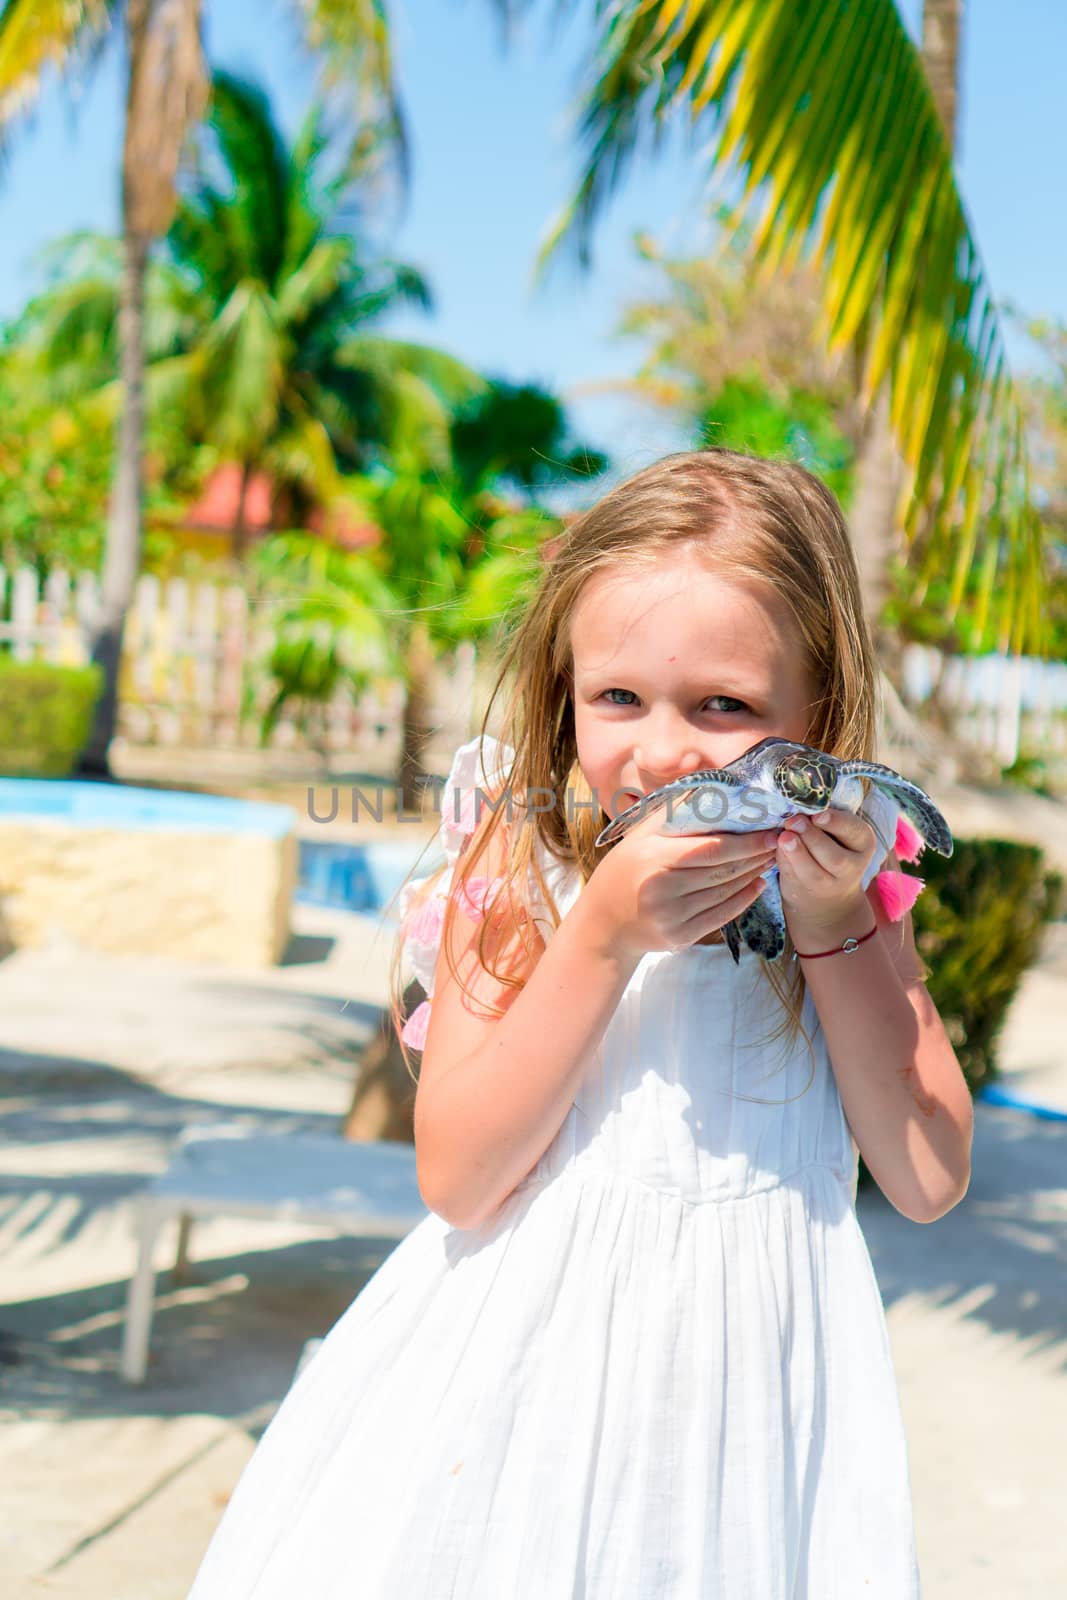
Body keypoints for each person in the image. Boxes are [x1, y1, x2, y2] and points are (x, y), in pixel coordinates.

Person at [187, 448, 973, 1598]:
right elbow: (458, 1176)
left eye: (726, 706)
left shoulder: (849, 890)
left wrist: (835, 924)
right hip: (512, 1392)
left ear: (820, 707)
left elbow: (925, 1172)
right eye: (616, 697)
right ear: (564, 685)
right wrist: (601, 934)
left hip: (751, 1409)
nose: (661, 750)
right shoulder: (522, 871)